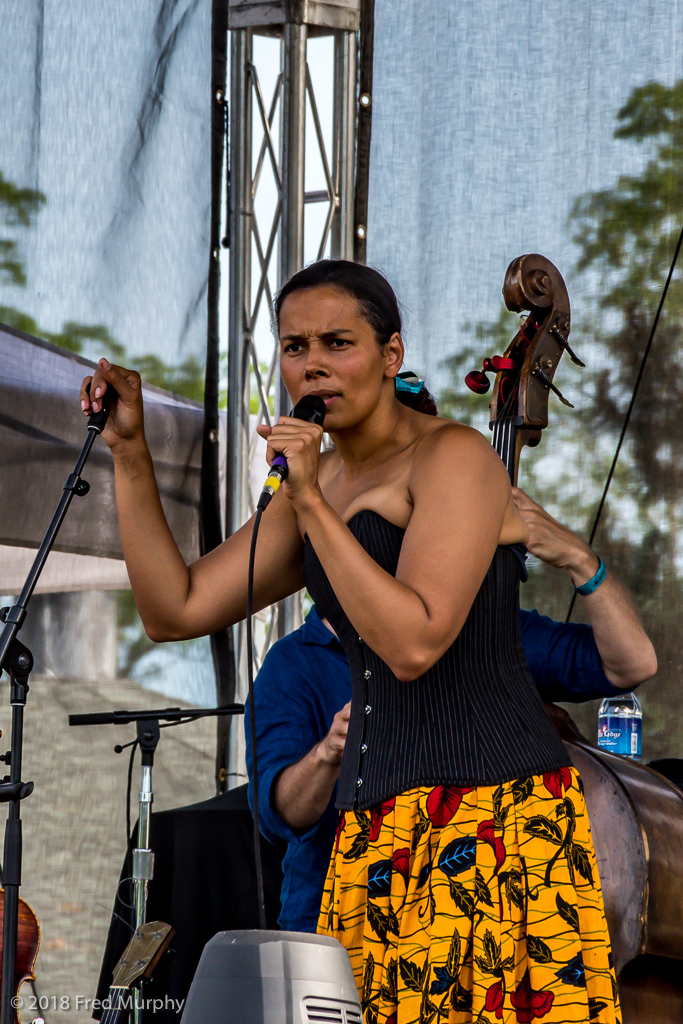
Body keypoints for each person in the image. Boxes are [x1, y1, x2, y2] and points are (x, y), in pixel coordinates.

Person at [81, 259, 627, 1023]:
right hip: (372, 831)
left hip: (494, 818)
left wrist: (307, 498)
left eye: (337, 343)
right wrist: (128, 454)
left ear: (391, 354)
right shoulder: (323, 482)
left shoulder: (454, 457)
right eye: (295, 346)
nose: (312, 365)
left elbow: (414, 643)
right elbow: (174, 608)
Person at [245, 489, 656, 935]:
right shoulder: (293, 663)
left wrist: (580, 559)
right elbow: (278, 816)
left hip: (472, 925)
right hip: (340, 931)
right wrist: (328, 752)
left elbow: (631, 663)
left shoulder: (488, 629)